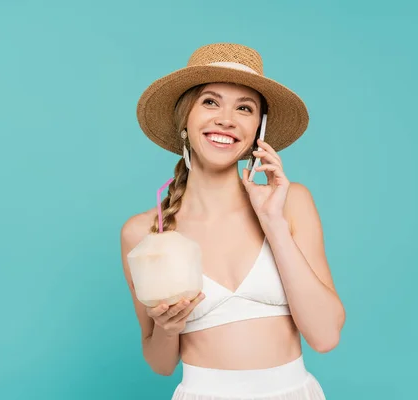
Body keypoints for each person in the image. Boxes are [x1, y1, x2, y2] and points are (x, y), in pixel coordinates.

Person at [120, 43, 346, 399]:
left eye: (245, 108)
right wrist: (167, 328)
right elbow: (160, 364)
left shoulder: (290, 203)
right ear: (185, 119)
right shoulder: (145, 231)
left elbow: (325, 336)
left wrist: (274, 224)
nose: (226, 118)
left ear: (259, 129)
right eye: (210, 102)